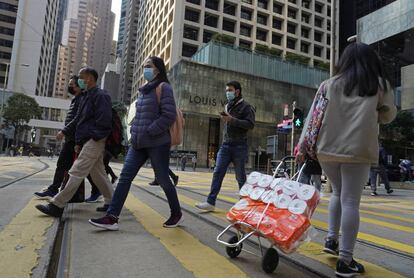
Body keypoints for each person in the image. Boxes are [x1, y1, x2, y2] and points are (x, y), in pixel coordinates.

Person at [296, 43, 396, 277]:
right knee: (351, 200)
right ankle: (346, 260)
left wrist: (302, 146)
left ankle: (331, 240)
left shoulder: (328, 84)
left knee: (338, 194)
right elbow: (389, 115)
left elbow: (312, 117)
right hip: (357, 150)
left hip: (327, 149)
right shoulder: (378, 84)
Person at [88, 56, 182, 230]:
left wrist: (150, 130)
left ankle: (176, 213)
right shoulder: (144, 90)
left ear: (158, 69)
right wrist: (135, 133)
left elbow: (168, 115)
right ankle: (112, 217)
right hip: (138, 143)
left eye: (149, 66)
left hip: (157, 143)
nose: (145, 69)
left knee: (163, 179)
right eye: (144, 66)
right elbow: (140, 116)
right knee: (124, 178)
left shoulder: (164, 88)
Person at [35, 67, 114, 217]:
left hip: (95, 140)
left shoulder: (101, 95)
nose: (79, 80)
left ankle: (57, 205)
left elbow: (104, 121)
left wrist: (93, 138)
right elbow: (79, 120)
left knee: (76, 171)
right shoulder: (85, 96)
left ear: (89, 78)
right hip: (86, 140)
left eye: (81, 77)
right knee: (98, 174)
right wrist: (77, 140)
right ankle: (112, 201)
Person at [34, 76, 100, 201]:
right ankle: (58, 190)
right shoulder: (76, 99)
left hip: (76, 139)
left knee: (73, 166)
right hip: (72, 138)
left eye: (72, 84)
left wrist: (64, 132)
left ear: (79, 86)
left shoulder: (82, 99)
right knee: (76, 167)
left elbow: (78, 119)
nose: (70, 87)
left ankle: (55, 190)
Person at [196, 81, 255, 212]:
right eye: (227, 90)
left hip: (239, 145)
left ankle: (245, 204)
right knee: (217, 172)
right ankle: (210, 202)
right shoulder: (228, 106)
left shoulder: (246, 107)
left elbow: (250, 124)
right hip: (226, 145)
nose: (227, 92)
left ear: (237, 91)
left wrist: (232, 120)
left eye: (230, 90)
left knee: (240, 176)